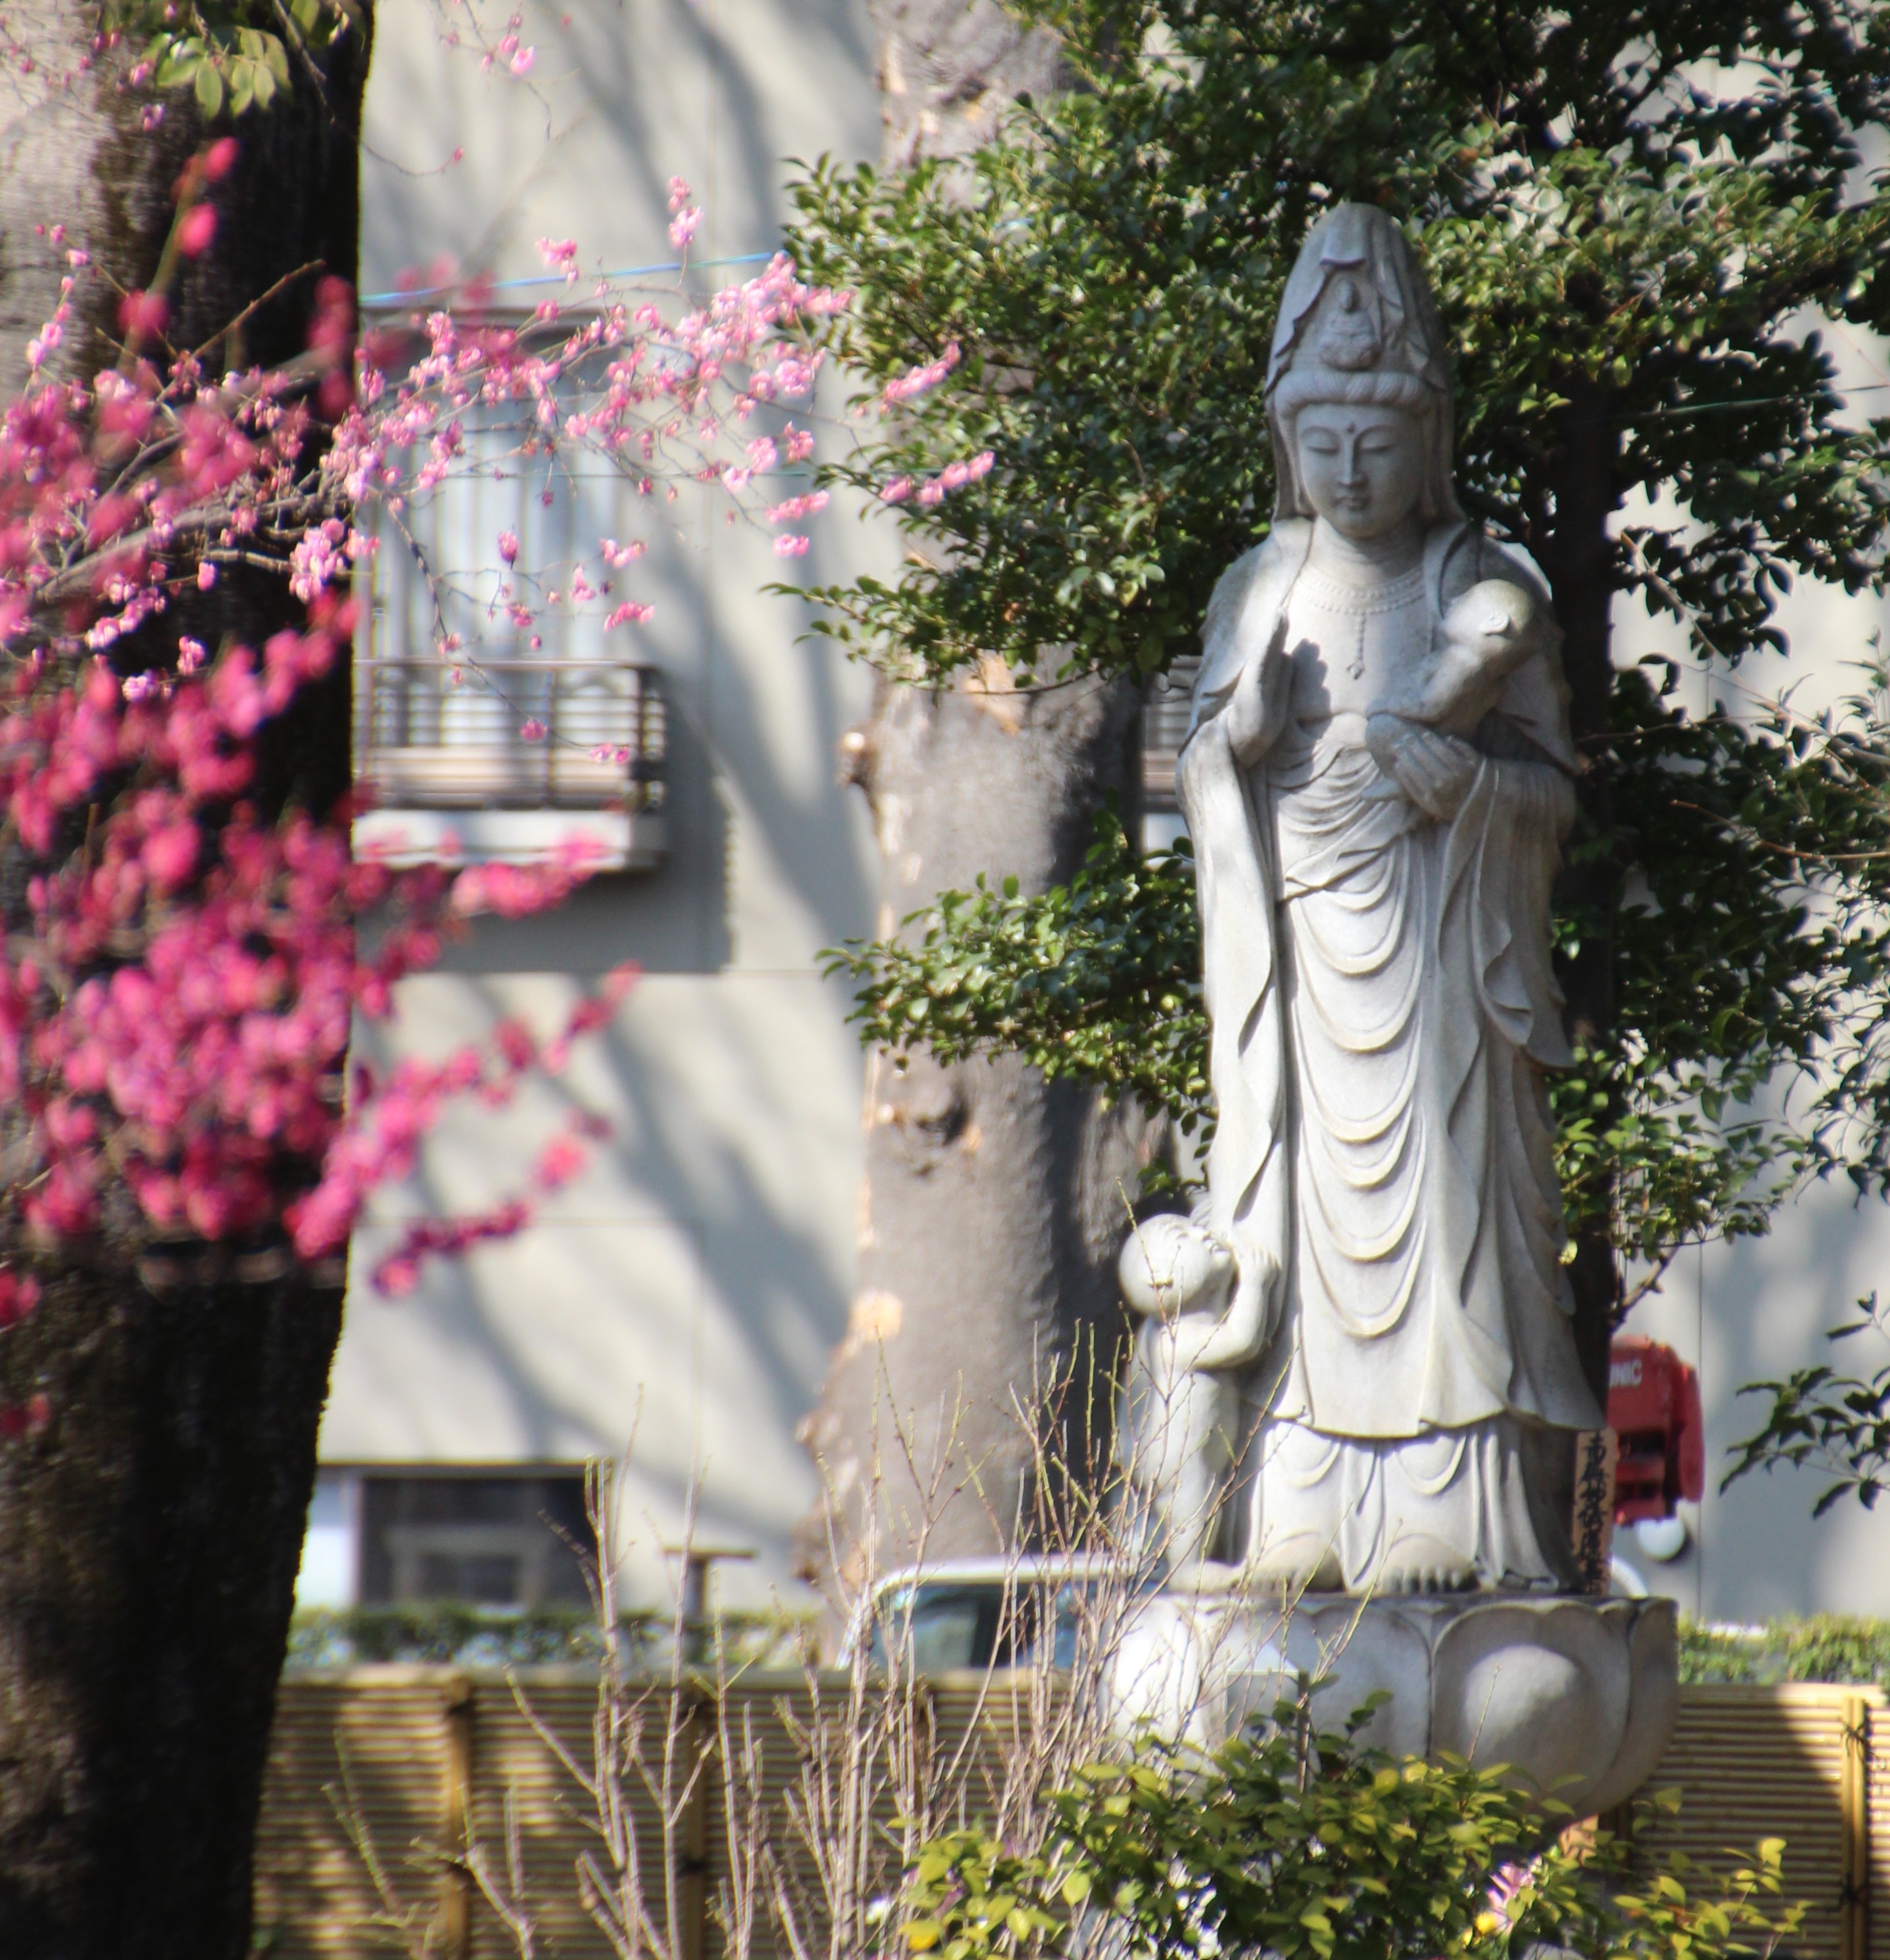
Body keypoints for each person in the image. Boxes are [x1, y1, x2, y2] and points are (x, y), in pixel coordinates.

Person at [1175, 203, 1602, 1594]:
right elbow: (1203, 768)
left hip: (1448, 975)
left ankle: (1455, 1513)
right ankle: (1297, 1505)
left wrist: (1468, 788)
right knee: (1300, 1234)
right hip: (1302, 974)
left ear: (1432, 441)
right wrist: (1235, 752)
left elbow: (1552, 792)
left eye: (1379, 439)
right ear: (1287, 444)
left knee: (1453, 1229)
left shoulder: (1482, 587)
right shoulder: (1257, 588)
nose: (1353, 470)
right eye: (1326, 442)